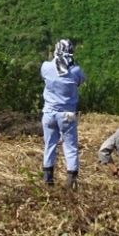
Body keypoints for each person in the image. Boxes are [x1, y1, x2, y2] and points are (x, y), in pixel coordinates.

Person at [40, 38, 85, 188]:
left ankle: (48, 179)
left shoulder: (46, 67)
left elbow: (44, 77)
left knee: (49, 145)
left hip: (49, 112)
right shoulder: (75, 70)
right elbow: (80, 81)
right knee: (70, 146)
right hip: (67, 113)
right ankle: (71, 181)